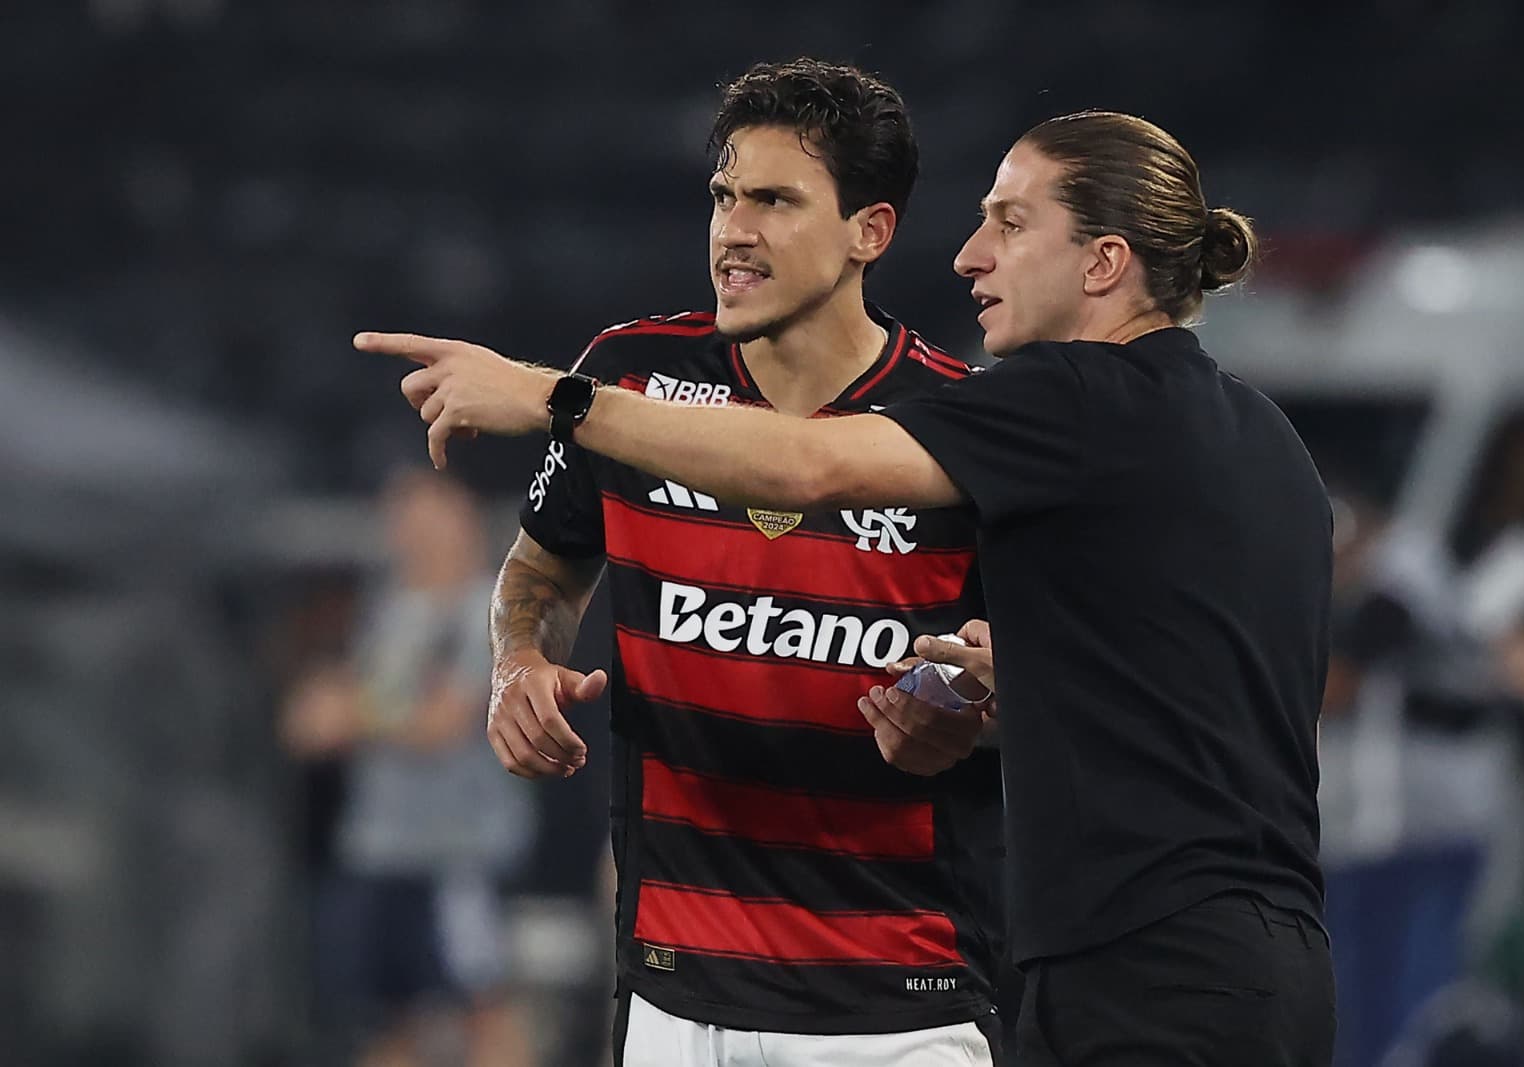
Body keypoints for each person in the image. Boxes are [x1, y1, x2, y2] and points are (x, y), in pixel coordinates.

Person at [360, 109, 1337, 1066]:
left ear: (1101, 262)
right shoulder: (1264, 438)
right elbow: (1151, 681)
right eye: (723, 196)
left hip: (1115, 965)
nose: (971, 254)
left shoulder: (1066, 401)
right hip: (1256, 952)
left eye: (1009, 221)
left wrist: (550, 397)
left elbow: (802, 468)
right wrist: (973, 692)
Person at [445, 60, 1008, 1065]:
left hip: (898, 1007)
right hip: (677, 994)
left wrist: (962, 701)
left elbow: (1021, 673)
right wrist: (519, 659)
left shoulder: (961, 423)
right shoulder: (630, 376)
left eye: (775, 200)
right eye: (723, 195)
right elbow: (541, 569)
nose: (732, 230)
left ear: (868, 233)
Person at [280, 468, 534, 1067]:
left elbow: (447, 719)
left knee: (483, 1010)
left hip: (456, 849)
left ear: (461, 517)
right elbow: (318, 711)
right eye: (400, 516)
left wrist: (355, 715)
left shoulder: (492, 611)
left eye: (424, 513)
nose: (410, 531)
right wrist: (340, 707)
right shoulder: (386, 611)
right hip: (377, 847)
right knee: (384, 1018)